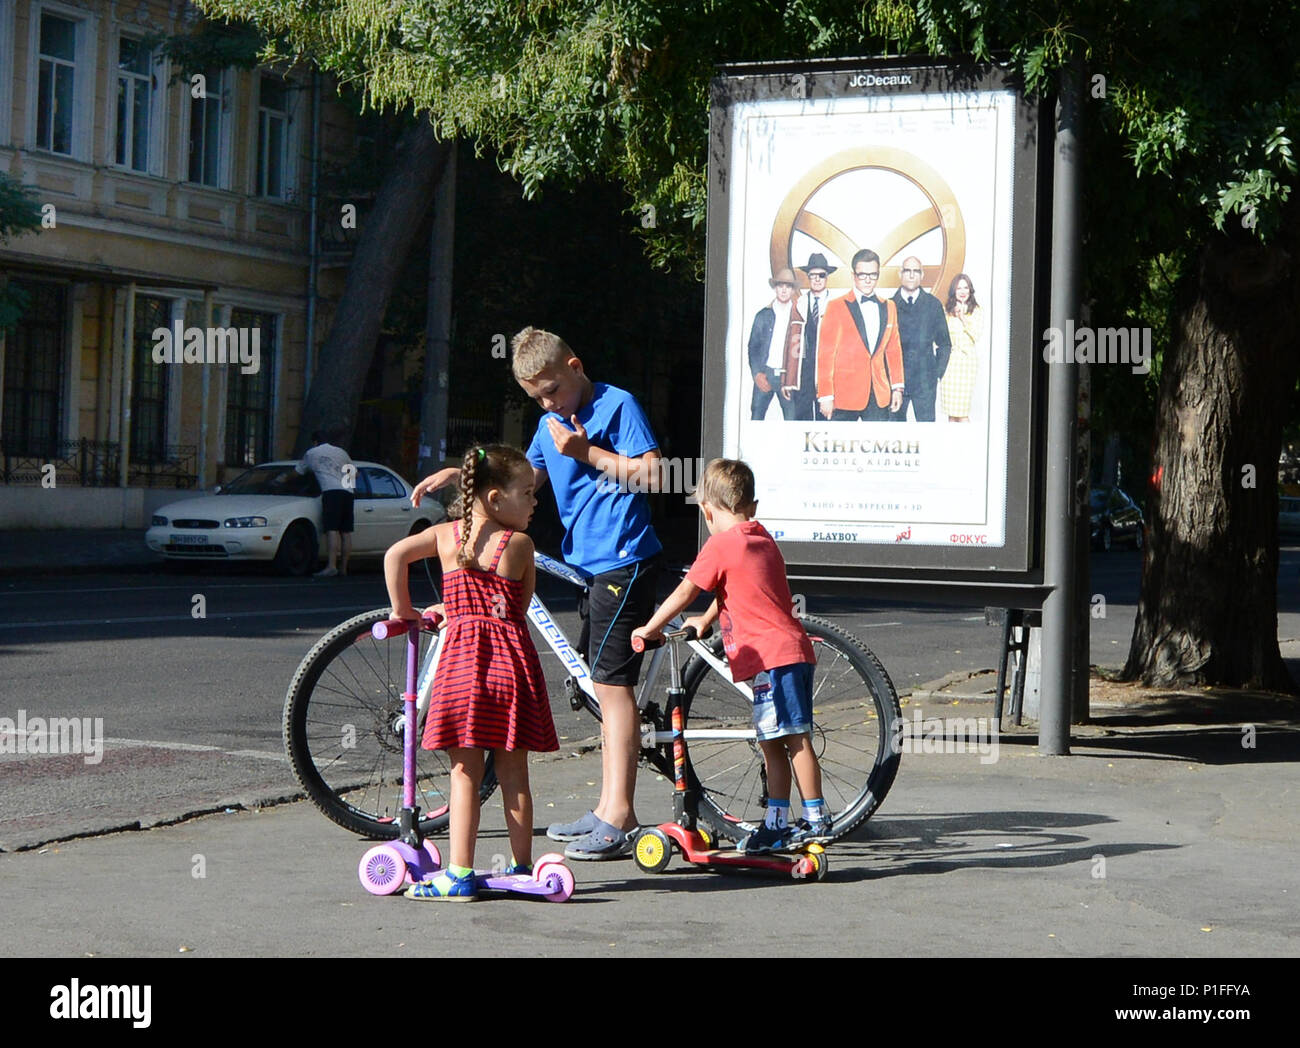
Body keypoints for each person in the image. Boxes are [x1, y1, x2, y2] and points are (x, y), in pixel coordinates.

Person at [411, 327, 662, 860]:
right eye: (538, 399)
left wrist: (587, 452)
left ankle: (618, 818)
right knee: (600, 682)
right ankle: (608, 807)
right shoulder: (550, 423)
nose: (548, 404)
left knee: (611, 687)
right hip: (589, 563)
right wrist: (467, 477)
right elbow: (524, 476)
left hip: (624, 557)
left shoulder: (618, 405)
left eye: (552, 391)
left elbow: (654, 474)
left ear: (575, 366)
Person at [631, 458, 831, 853]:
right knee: (774, 741)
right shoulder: (760, 537)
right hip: (786, 655)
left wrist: (650, 627)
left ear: (707, 510)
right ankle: (777, 822)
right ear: (751, 507)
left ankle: (813, 818)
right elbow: (736, 589)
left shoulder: (720, 544)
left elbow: (687, 590)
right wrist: (704, 620)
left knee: (794, 739)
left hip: (772, 659)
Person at [385, 444, 558, 901]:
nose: (535, 500)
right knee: (514, 769)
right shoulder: (519, 545)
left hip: (462, 666)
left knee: (464, 771)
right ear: (497, 498)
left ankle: (459, 872)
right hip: (510, 667)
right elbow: (516, 609)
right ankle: (521, 868)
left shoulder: (445, 536)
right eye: (528, 493)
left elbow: (395, 556)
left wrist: (407, 611)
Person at [816, 249, 903, 421]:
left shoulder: (889, 306)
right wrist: (825, 395)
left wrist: (897, 388)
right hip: (843, 396)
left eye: (873, 274)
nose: (868, 279)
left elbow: (894, 351)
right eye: (862, 274)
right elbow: (825, 354)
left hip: (878, 395)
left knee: (879, 445)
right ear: (853, 275)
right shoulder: (836, 306)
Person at [890, 257, 952, 422]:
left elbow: (945, 344)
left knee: (927, 434)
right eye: (907, 271)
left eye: (916, 271)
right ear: (900, 273)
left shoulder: (933, 305)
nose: (911, 275)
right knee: (895, 435)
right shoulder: (889, 305)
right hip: (896, 383)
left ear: (922, 274)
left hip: (925, 382)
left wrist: (936, 374)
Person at [746, 268, 803, 421]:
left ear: (793, 290)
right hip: (767, 373)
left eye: (788, 286)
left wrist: (795, 378)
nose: (784, 290)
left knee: (792, 420)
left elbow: (804, 350)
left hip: (788, 376)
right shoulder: (763, 315)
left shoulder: (799, 316)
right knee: (757, 416)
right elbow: (753, 347)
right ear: (775, 288)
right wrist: (757, 373)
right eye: (780, 286)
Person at [296, 428, 354, 577]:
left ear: (315, 442)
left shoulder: (312, 453)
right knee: (346, 531)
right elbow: (354, 473)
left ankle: (331, 566)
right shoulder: (341, 452)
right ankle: (344, 567)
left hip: (331, 492)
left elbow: (299, 471)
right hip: (348, 493)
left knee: (332, 529)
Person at [788, 253, 835, 421]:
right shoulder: (799, 304)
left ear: (827, 277)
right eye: (812, 275)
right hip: (804, 370)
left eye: (821, 275)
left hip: (827, 371)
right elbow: (792, 342)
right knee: (801, 418)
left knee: (826, 419)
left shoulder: (836, 304)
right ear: (808, 277)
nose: (817, 279)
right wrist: (789, 378)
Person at [940, 273, 983, 422]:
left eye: (966, 288)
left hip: (966, 363)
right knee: (951, 413)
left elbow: (975, 335)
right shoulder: (946, 310)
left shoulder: (976, 310)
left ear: (970, 290)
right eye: (959, 288)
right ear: (954, 290)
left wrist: (963, 318)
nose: (963, 291)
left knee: (962, 412)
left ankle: (969, 444)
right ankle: (952, 444)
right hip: (950, 364)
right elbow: (940, 335)